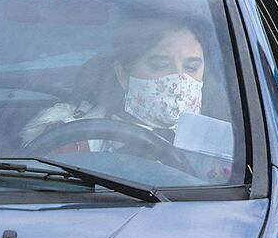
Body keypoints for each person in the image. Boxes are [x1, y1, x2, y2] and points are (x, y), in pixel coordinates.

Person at [21, 19, 205, 147]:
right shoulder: (74, 138)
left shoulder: (227, 144)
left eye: (191, 68)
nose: (179, 80)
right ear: (122, 74)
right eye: (160, 66)